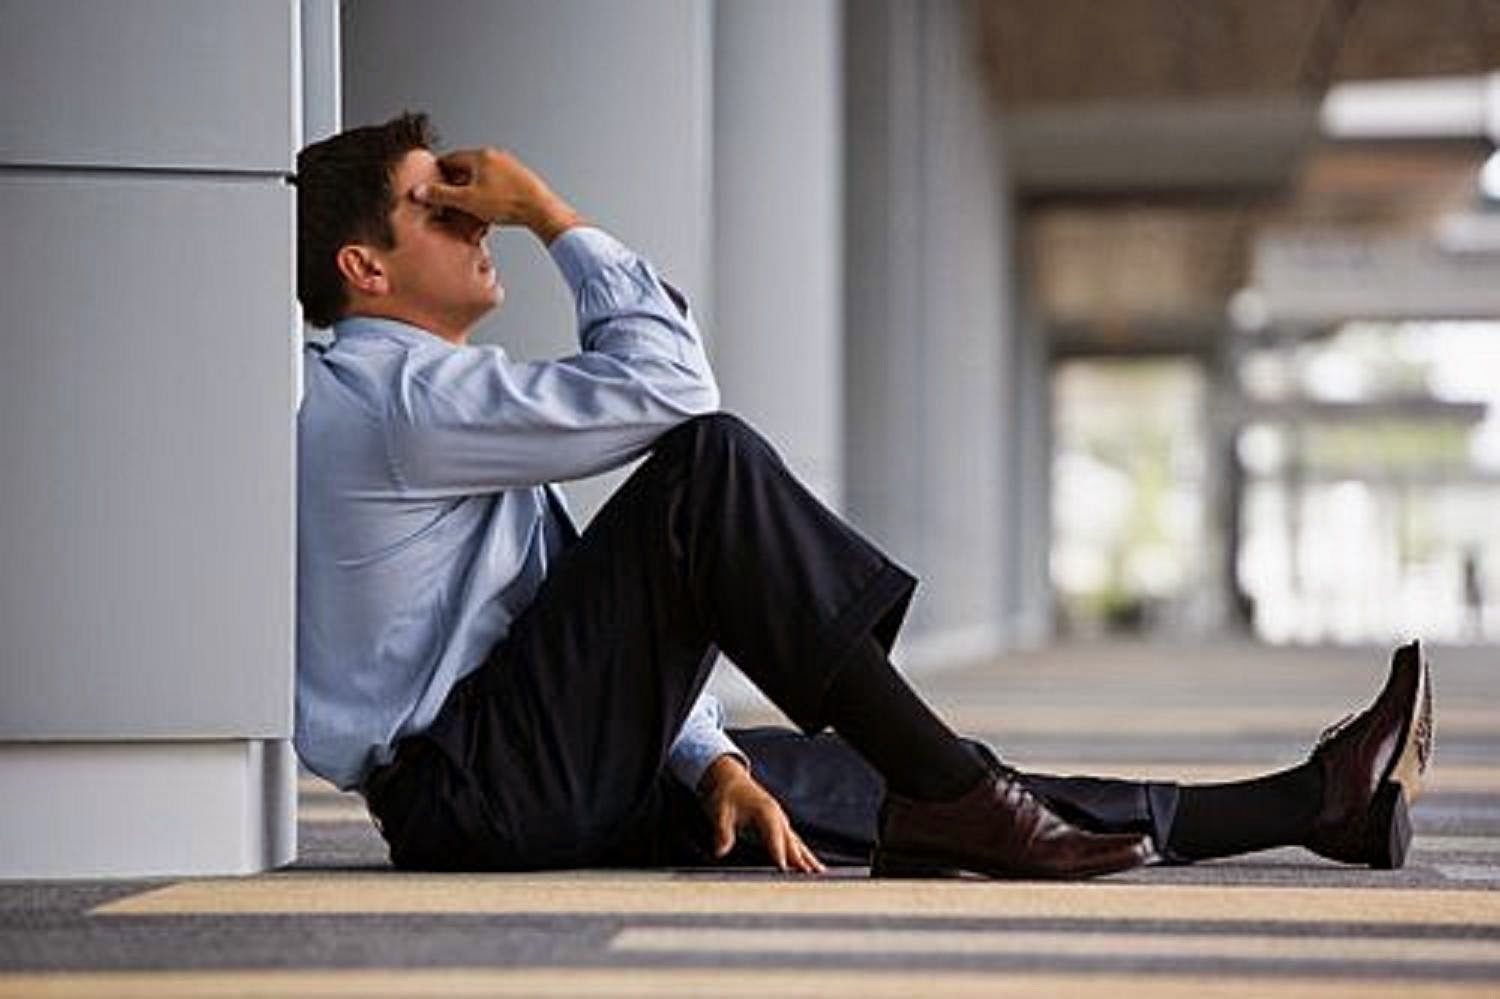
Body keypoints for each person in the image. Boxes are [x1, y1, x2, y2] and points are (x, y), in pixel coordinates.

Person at [294, 113, 1433, 878]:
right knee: (708, 473)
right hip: (480, 788)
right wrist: (553, 214)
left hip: (524, 768)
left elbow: (572, 627)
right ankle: (958, 788)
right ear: (364, 269)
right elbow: (676, 394)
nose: (475, 216)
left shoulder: (424, 406)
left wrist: (714, 760)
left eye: (476, 199)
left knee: (900, 783)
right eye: (437, 205)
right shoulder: (392, 402)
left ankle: (1317, 802)